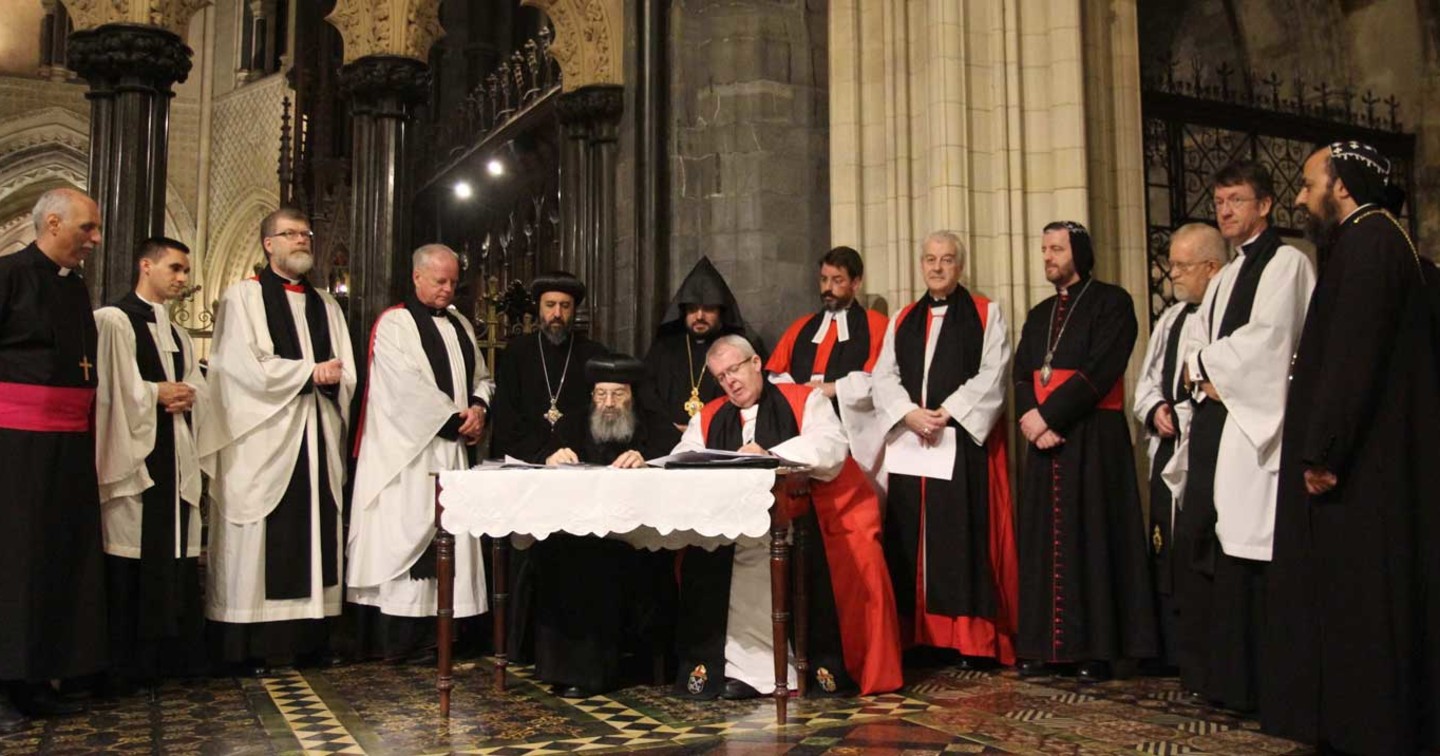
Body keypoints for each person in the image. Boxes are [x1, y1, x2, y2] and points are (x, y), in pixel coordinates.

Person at [1261, 141, 1440, 755]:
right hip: (1378, 461)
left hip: (1362, 471)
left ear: (1341, 185)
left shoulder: (1367, 243)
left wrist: (1324, 452)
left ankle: (1365, 728)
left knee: (1362, 603)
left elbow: (1351, 357)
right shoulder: (1388, 240)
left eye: (1310, 183)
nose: (1301, 196)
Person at [672, 335, 902, 700]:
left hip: (796, 525)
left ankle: (800, 672)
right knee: (714, 571)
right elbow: (683, 455)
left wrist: (770, 455)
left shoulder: (802, 399)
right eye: (720, 376)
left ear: (755, 363)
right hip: (731, 534)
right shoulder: (710, 415)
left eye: (734, 369)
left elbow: (831, 445)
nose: (729, 381)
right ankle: (737, 672)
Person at [1173, 162, 1314, 711]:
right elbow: (1196, 341)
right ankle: (1220, 678)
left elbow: (1270, 341)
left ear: (1265, 206)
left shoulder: (1288, 264)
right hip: (1217, 423)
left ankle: (1265, 683)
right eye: (1220, 201)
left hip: (1257, 429)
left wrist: (1207, 366)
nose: (1225, 210)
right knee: (1211, 543)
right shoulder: (1227, 274)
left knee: (1254, 550)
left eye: (1236, 200)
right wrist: (1202, 367)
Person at [199, 207, 357, 674]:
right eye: (291, 235)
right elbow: (236, 368)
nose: (303, 241)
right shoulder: (243, 297)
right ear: (269, 244)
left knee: (315, 532)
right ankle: (248, 645)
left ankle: (311, 638)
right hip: (264, 437)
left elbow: (345, 369)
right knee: (261, 534)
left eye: (306, 234)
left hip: (316, 431)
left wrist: (331, 379)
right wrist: (309, 372)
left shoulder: (327, 305)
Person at [1012, 221, 1157, 682]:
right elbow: (1020, 375)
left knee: (1093, 535)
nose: (1048, 257)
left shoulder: (1113, 303)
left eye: (1056, 248)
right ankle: (1042, 646)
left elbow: (1102, 370)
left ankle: (1096, 648)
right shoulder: (1037, 314)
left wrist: (1049, 416)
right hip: (1044, 442)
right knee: (1043, 541)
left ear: (1080, 251)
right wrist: (1032, 422)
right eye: (1044, 249)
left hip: (1092, 438)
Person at [870, 231, 1017, 668]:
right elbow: (883, 376)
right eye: (930, 259)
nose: (937, 267)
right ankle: (916, 635)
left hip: (959, 443)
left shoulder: (987, 314)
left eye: (947, 259)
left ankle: (966, 639)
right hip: (912, 443)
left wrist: (947, 412)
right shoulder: (902, 318)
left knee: (960, 536)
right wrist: (909, 413)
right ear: (921, 265)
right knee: (909, 536)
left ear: (960, 266)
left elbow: (995, 372)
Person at [347, 244, 492, 660]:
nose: (448, 290)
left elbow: (482, 376)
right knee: (406, 534)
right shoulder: (396, 325)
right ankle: (403, 640)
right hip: (407, 456)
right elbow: (403, 389)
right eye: (440, 281)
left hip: (451, 454)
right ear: (417, 277)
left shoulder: (462, 324)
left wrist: (479, 408)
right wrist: (456, 420)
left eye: (453, 282)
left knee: (449, 539)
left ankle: (445, 634)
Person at [0, 188, 107, 731]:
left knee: (60, 553)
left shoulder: (76, 285)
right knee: (21, 557)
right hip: (18, 446)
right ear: (54, 222)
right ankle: (17, 677)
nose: (95, 239)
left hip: (70, 442)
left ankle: (50, 669)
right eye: (87, 228)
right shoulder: (10, 274)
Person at [94, 237, 207, 693]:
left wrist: (189, 393)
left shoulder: (177, 331)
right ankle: (123, 665)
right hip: (137, 457)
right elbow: (111, 391)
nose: (182, 279)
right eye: (175, 269)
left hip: (175, 450)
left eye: (185, 271)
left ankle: (169, 659)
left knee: (176, 548)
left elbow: (196, 384)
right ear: (146, 265)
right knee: (130, 555)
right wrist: (154, 393)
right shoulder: (113, 321)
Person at [487, 271, 609, 662]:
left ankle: (572, 650)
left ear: (575, 311)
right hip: (529, 470)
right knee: (525, 558)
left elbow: (604, 415)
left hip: (579, 473)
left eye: (565, 307)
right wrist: (544, 454)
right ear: (538, 310)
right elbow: (506, 421)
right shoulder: (518, 354)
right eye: (550, 306)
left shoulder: (594, 354)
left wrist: (572, 452)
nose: (557, 314)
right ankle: (519, 647)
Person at [532, 354, 664, 697]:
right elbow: (542, 457)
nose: (608, 403)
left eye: (617, 394)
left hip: (633, 537)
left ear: (631, 395)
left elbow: (674, 457)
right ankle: (559, 668)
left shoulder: (652, 424)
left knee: (602, 563)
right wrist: (551, 458)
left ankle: (595, 672)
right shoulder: (572, 423)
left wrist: (648, 462)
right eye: (601, 395)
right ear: (592, 395)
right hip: (575, 532)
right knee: (558, 555)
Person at [1130, 223, 1225, 673]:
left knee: (1198, 543)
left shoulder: (1222, 315)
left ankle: (1205, 653)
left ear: (1212, 267)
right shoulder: (1170, 319)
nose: (1173, 274)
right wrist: (1155, 411)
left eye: (1183, 266)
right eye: (1172, 265)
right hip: (1168, 445)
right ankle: (1170, 649)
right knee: (1162, 543)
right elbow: (1146, 383)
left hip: (1207, 447)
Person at [766, 246, 890, 485]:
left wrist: (834, 389)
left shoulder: (876, 326)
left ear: (856, 283)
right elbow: (776, 378)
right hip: (806, 429)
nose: (827, 288)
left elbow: (883, 381)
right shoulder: (801, 327)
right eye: (824, 280)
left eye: (837, 280)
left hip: (851, 429)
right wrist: (803, 394)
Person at [642, 256, 760, 450]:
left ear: (721, 311)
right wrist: (669, 428)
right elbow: (647, 396)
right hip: (665, 443)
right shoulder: (664, 348)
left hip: (721, 441)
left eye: (708, 309)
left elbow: (748, 396)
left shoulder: (737, 347)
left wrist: (701, 428)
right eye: (692, 309)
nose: (699, 316)